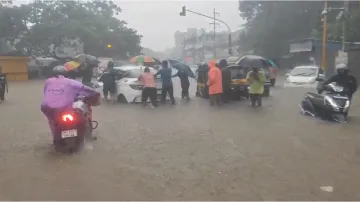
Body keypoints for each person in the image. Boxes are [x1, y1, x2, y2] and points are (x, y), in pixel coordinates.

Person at [41, 66, 100, 143]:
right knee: (81, 116)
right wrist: (96, 94)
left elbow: (46, 93)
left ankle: (55, 139)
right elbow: (87, 90)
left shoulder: (48, 81)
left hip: (46, 107)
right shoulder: (71, 82)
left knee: (52, 122)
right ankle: (88, 136)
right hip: (64, 108)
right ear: (66, 74)